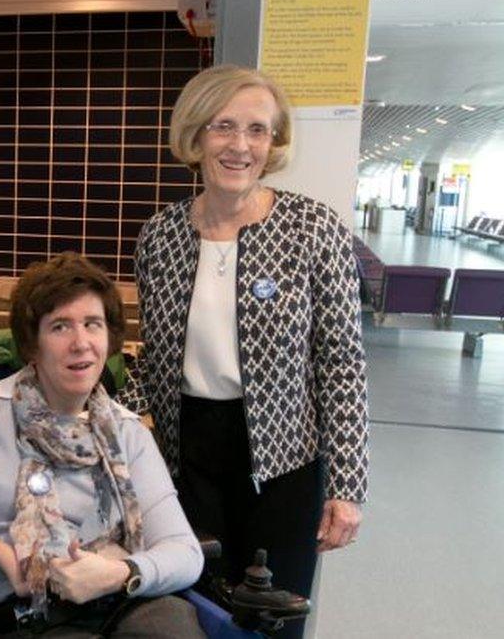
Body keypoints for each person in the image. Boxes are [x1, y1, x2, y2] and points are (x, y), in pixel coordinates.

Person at [120, 64, 369, 638]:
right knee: (196, 608)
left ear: (273, 142)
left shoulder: (313, 229)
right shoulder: (160, 236)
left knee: (273, 616)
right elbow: (154, 356)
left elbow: (343, 363)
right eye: (223, 126)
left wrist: (348, 487)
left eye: (257, 130)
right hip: (187, 457)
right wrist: (109, 427)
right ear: (195, 135)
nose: (240, 145)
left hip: (284, 462)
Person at [0, 253, 206, 638]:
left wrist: (119, 573)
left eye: (92, 324)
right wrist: (3, 556)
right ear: (32, 344)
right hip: (26, 610)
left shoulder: (129, 433)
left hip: (120, 597)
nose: (81, 343)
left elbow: (185, 552)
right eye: (60, 327)